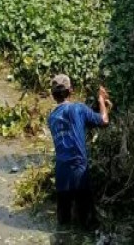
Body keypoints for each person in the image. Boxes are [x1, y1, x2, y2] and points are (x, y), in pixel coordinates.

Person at [47, 74, 110, 228]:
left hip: (61, 174)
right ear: (71, 91)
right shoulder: (78, 108)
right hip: (79, 172)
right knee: (88, 225)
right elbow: (103, 120)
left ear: (53, 95)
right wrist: (101, 101)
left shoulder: (51, 118)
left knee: (63, 224)